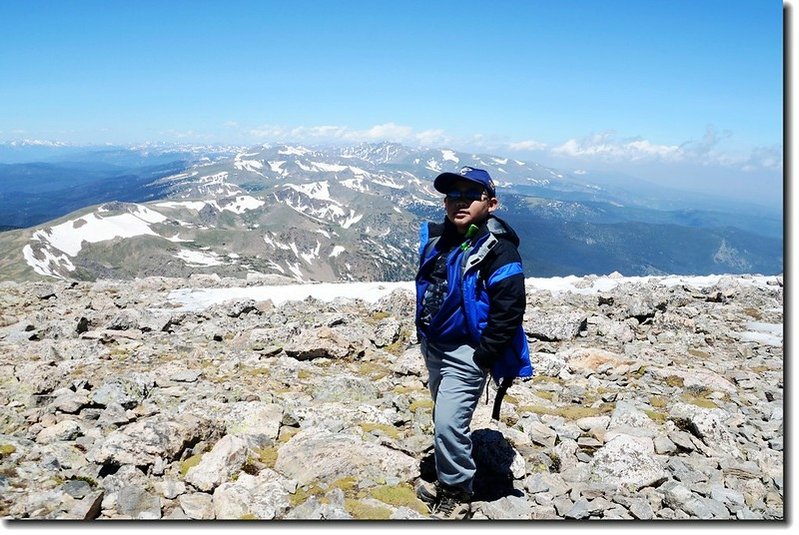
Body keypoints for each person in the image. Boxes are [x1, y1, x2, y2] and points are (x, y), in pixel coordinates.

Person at [414, 166, 533, 519]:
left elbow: (510, 307)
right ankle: (448, 466)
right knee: (444, 415)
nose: (458, 202)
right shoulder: (439, 239)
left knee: (449, 422)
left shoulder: (500, 250)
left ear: (491, 203)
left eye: (470, 196)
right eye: (452, 196)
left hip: (468, 352)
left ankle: (457, 492)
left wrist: (484, 355)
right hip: (435, 345)